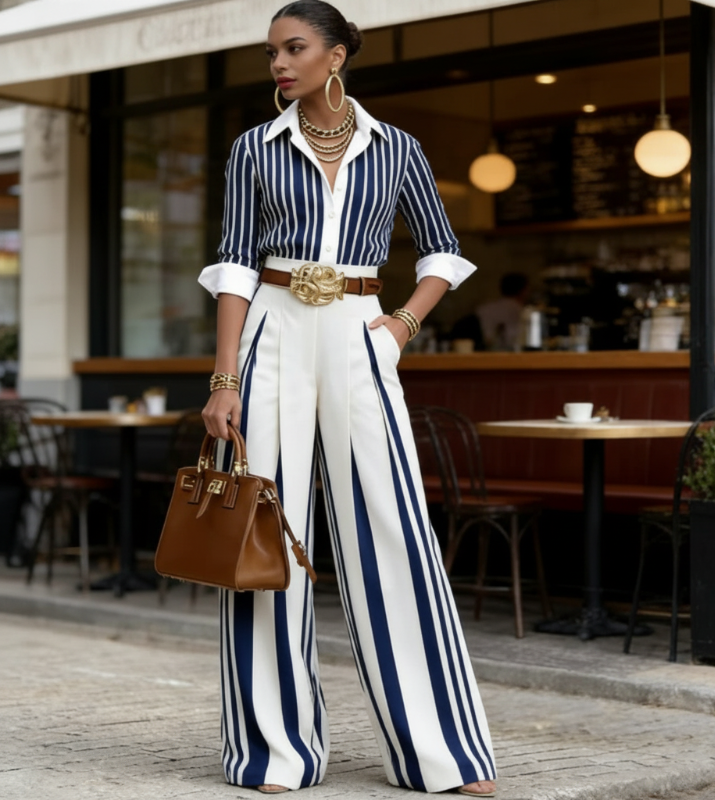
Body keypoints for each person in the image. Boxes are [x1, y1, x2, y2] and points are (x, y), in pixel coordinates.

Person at [198, 1, 496, 796]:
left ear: (336, 56)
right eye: (271, 54)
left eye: (293, 49)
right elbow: (233, 266)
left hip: (363, 333)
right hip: (275, 331)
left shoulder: (397, 149)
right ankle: (274, 752)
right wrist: (225, 377)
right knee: (267, 528)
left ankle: (444, 755)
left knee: (394, 528)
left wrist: (400, 324)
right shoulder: (253, 150)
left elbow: (443, 250)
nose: (279, 65)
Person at [475, 272, 529, 351]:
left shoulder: (483, 309)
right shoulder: (523, 312)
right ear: (524, 291)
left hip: (483, 354)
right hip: (507, 355)